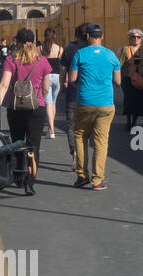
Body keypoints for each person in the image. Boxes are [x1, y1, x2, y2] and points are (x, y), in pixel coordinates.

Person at [67, 24, 121, 190]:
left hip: (85, 102)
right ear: (102, 36)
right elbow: (118, 82)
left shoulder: (80, 54)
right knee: (101, 141)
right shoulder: (112, 55)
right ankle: (98, 180)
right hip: (105, 103)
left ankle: (82, 176)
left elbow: (72, 78)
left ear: (88, 36)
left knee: (80, 136)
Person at [0, 28, 52, 193]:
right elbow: (46, 88)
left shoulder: (10, 60)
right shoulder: (42, 61)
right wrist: (37, 97)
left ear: (18, 43)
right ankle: (30, 182)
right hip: (37, 108)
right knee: (33, 145)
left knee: (17, 143)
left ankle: (18, 177)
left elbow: (4, 85)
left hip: (16, 108)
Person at [61, 22, 89, 172]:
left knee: (72, 125)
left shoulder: (70, 49)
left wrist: (61, 84)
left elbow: (63, 70)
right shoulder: (94, 50)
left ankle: (75, 152)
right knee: (88, 126)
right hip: (91, 94)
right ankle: (85, 154)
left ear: (76, 35)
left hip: (73, 92)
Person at [117, 28, 143, 131]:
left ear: (141, 39)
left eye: (138, 37)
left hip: (140, 78)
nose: (136, 39)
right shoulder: (125, 49)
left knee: (139, 100)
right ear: (129, 38)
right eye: (133, 37)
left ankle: (135, 121)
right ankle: (128, 120)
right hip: (128, 78)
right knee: (129, 100)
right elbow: (120, 63)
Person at [43, 27, 63, 140]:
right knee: (53, 103)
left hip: (46, 77)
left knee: (48, 104)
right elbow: (62, 66)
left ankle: (51, 130)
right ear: (54, 36)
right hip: (57, 77)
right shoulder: (60, 49)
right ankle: (51, 127)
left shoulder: (40, 48)